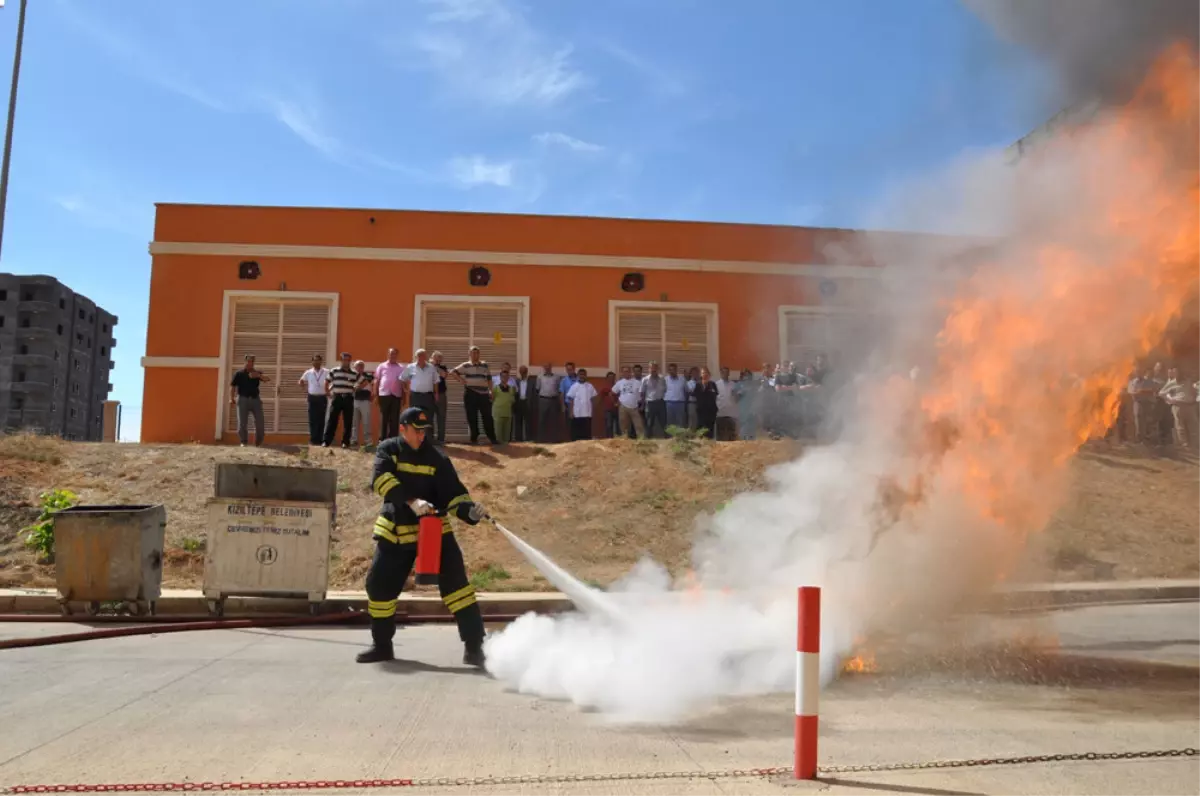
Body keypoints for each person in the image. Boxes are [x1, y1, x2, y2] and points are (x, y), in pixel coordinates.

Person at [359, 406, 489, 666]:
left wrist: (470, 512)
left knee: (458, 590)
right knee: (379, 587)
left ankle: (475, 649)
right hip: (396, 530)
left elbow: (453, 494)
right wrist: (411, 501)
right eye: (416, 431)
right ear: (403, 429)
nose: (421, 436)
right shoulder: (388, 449)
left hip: (434, 532)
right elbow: (381, 479)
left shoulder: (437, 458)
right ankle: (382, 645)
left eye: (424, 431)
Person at [231, 354, 269, 446]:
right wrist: (231, 398)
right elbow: (232, 386)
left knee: (260, 423)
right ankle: (243, 441)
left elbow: (267, 379)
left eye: (251, 362)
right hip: (243, 399)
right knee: (242, 423)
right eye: (248, 361)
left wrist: (258, 376)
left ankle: (258, 442)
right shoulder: (239, 374)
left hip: (255, 400)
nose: (249, 363)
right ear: (245, 362)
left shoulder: (257, 373)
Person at [491, 367, 517, 443]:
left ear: (508, 377)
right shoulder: (495, 388)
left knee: (507, 436)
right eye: (503, 376)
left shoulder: (512, 388)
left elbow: (512, 399)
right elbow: (492, 399)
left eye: (506, 376)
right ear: (500, 377)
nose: (505, 378)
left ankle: (506, 450)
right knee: (498, 435)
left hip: (507, 413)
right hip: (498, 413)